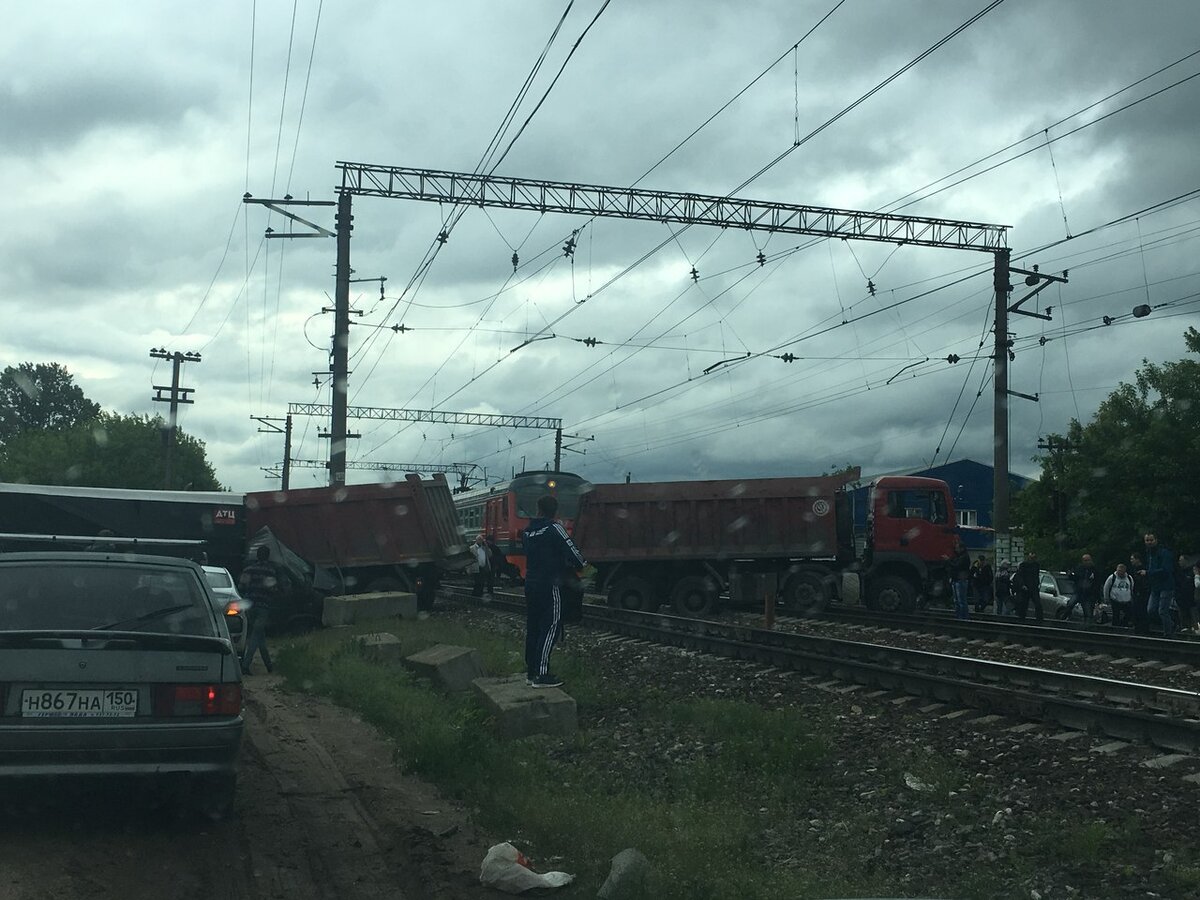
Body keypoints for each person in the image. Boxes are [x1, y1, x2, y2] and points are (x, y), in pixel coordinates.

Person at [521, 494, 586, 688]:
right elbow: (573, 553)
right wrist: (584, 567)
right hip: (550, 584)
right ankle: (542, 674)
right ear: (555, 511)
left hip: (530, 583)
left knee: (533, 626)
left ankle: (531, 671)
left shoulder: (527, 531)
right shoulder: (554, 528)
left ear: (538, 509)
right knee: (550, 627)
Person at [238, 545, 280, 675]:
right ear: (268, 556)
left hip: (250, 606)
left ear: (257, 555)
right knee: (256, 635)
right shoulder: (270, 571)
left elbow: (241, 586)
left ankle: (269, 666)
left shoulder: (249, 569)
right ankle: (245, 664)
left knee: (259, 635)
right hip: (263, 606)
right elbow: (273, 589)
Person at [1142, 533, 1176, 637]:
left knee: (1162, 610)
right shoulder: (1149, 554)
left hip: (1166, 585)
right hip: (1155, 586)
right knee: (1151, 610)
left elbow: (1166, 570)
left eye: (1151, 540)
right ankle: (1170, 624)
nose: (1149, 542)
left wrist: (1148, 573)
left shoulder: (1164, 553)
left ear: (1156, 540)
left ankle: (1168, 633)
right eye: (1147, 540)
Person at [1063, 552, 1098, 624]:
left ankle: (1087, 626)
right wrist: (1070, 575)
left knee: (1088, 612)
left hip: (1088, 594)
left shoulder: (1094, 570)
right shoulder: (1079, 568)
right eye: (1085, 560)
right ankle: (1064, 618)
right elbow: (1075, 578)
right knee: (1070, 604)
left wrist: (1096, 595)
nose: (1087, 562)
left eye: (1088, 560)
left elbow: (1097, 583)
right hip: (1078, 591)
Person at [1014, 551, 1043, 623]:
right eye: (1031, 557)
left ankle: (1039, 619)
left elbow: (1036, 576)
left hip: (1033, 587)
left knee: (1037, 603)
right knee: (1024, 604)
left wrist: (1037, 583)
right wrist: (1022, 585)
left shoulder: (1036, 565)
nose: (1032, 559)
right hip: (1026, 587)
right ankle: (1022, 619)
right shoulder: (1023, 565)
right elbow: (1020, 576)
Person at [1103, 562, 1135, 629]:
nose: (1120, 572)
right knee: (1116, 615)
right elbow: (1106, 588)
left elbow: (1132, 588)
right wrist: (1106, 598)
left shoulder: (1129, 578)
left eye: (1121, 571)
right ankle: (1115, 628)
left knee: (1129, 614)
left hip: (1127, 600)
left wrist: (1132, 597)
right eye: (1119, 570)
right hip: (1115, 599)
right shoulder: (1112, 577)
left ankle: (1124, 625)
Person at [1129, 552, 1151, 635]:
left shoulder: (1142, 569)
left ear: (1137, 559)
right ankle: (1138, 628)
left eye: (1132, 559)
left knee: (1142, 611)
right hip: (1137, 593)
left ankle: (1143, 629)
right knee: (1137, 611)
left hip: (1142, 593)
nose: (1131, 561)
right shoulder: (1134, 569)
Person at [948, 541, 971, 620]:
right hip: (956, 580)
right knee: (957, 600)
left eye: (957, 548)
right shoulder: (958, 556)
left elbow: (957, 566)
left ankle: (963, 617)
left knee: (961, 600)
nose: (956, 549)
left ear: (962, 548)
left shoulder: (964, 557)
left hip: (961, 580)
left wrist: (948, 561)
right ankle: (959, 616)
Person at [1174, 554, 1196, 634]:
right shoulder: (1178, 572)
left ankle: (1195, 627)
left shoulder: (1192, 572)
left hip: (1191, 598)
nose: (1179, 562)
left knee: (1193, 614)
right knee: (1182, 614)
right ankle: (1184, 628)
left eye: (1181, 560)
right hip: (1181, 598)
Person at [471, 534, 493, 598]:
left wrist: (486, 546)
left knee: (482, 581)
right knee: (477, 581)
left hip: (483, 567)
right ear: (476, 540)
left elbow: (490, 555)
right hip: (476, 567)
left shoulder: (484, 548)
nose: (480, 541)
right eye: (479, 540)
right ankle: (475, 594)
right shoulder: (472, 548)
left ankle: (480, 593)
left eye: (482, 540)